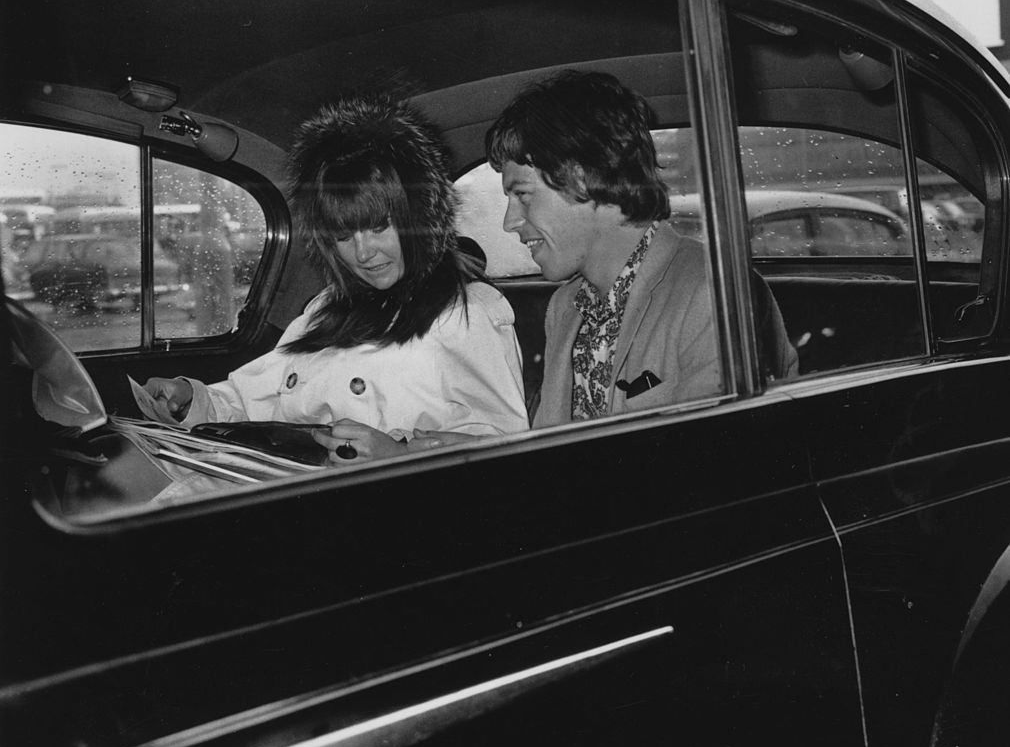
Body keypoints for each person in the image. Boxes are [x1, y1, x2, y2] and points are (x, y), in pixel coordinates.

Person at [143, 95, 529, 463]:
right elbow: (256, 397)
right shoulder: (326, 307)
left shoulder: (468, 311)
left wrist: (399, 457)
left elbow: (503, 449)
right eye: (344, 236)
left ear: (418, 219)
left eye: (378, 228)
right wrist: (189, 398)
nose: (363, 253)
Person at [482, 68, 797, 428]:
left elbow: (720, 461)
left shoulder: (716, 293)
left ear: (582, 176)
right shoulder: (566, 308)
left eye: (522, 194)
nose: (510, 222)